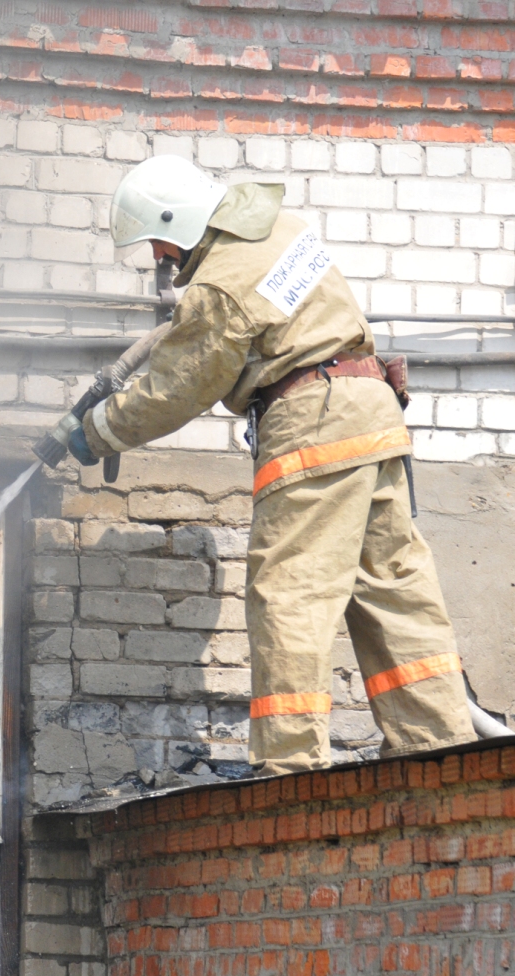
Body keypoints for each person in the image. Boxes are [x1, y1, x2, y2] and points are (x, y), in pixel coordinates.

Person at [68, 154, 476, 777]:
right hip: (373, 410)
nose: (158, 256)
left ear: (178, 221)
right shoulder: (280, 229)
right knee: (392, 587)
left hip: (314, 422)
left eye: (156, 240)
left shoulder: (219, 286)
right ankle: (438, 747)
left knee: (289, 591)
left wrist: (97, 432)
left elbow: (177, 388)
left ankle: (289, 765)